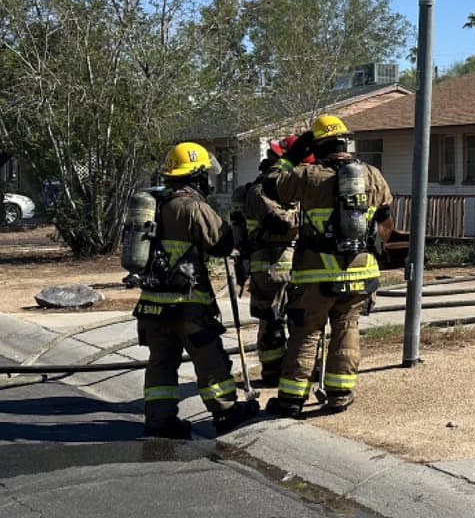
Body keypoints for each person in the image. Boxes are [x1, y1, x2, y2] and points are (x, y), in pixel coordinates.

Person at [263, 115, 393, 416]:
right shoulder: (372, 174)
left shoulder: (308, 175)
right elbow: (385, 221)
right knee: (347, 328)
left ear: (316, 146)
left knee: (306, 333)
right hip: (361, 271)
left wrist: (291, 156)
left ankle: (291, 399)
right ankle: (339, 394)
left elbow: (270, 185)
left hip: (316, 274)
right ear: (344, 142)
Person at [131, 141, 260, 439]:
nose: (208, 181)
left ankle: (159, 420)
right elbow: (222, 244)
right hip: (187, 303)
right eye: (205, 175)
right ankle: (225, 412)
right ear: (197, 175)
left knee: (161, 362)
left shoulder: (153, 203)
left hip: (152, 303)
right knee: (209, 358)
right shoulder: (192, 206)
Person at [230, 136, 308, 387]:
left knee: (301, 319)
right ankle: (274, 372)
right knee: (272, 319)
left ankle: (295, 368)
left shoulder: (289, 189)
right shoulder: (262, 190)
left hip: (293, 263)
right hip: (271, 264)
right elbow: (281, 224)